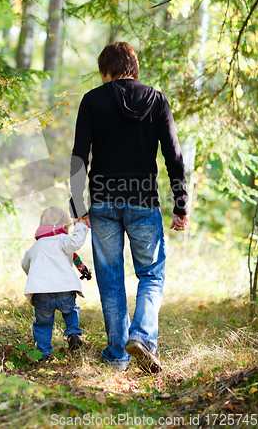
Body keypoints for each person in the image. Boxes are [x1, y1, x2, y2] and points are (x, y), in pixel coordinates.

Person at [69, 42, 189, 372]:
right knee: (151, 275)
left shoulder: (92, 100)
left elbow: (79, 157)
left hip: (103, 200)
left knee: (110, 281)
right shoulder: (156, 99)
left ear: (106, 70)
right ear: (133, 66)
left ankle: (117, 356)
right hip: (143, 201)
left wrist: (78, 204)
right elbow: (174, 157)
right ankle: (142, 336)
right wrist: (181, 204)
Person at [21, 206, 91, 363]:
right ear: (66, 226)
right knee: (70, 310)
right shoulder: (64, 241)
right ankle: (73, 333)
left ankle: (43, 354)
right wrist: (80, 224)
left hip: (41, 294)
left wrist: (36, 277)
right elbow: (76, 242)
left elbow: (25, 264)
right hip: (65, 290)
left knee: (43, 324)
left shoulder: (36, 247)